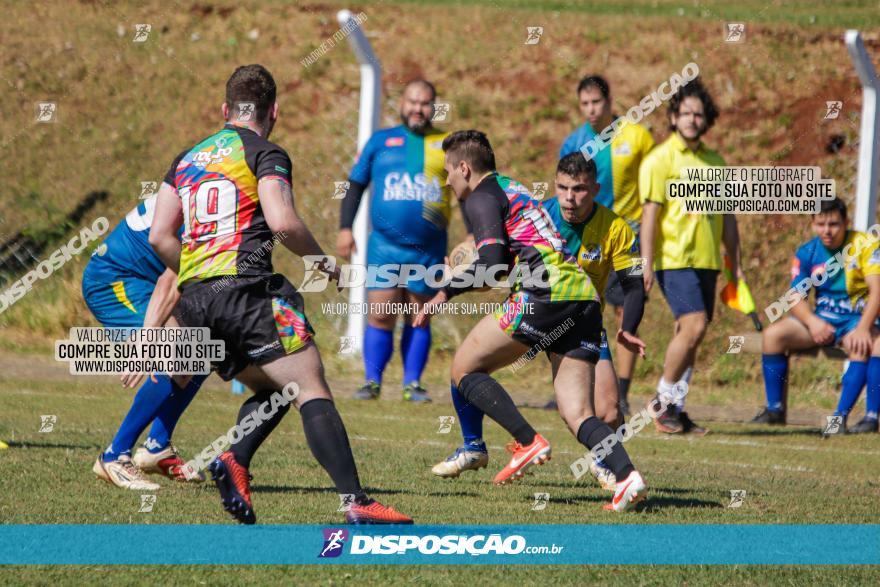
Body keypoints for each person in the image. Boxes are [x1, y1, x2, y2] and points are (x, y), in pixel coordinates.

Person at [150, 64, 412, 524]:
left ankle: (235, 459)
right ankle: (357, 501)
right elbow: (283, 222)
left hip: (195, 300)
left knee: (273, 386)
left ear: (225, 109)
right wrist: (323, 261)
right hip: (246, 294)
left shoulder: (186, 159)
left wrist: (198, 274)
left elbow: (159, 237)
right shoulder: (265, 153)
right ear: (274, 111)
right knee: (311, 386)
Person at [416, 130, 647, 511]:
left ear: (464, 167)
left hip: (543, 295)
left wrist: (445, 291)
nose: (447, 181)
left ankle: (525, 441)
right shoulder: (512, 189)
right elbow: (503, 262)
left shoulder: (482, 198)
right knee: (579, 414)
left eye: (448, 172)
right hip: (584, 300)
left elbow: (490, 266)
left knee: (464, 368)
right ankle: (627, 477)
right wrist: (463, 276)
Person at [337, 79, 463, 402]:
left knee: (419, 315)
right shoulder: (380, 142)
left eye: (424, 103)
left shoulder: (447, 144)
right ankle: (372, 381)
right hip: (384, 247)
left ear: (434, 106)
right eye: (412, 102)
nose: (418, 108)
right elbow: (354, 185)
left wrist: (475, 233)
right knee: (380, 313)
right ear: (402, 104)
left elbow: (466, 191)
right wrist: (345, 228)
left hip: (428, 249)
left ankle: (412, 383)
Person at [83, 195, 207, 490]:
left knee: (205, 351)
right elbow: (172, 279)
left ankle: (156, 448)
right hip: (114, 279)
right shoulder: (209, 205)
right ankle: (114, 456)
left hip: (145, 281)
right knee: (174, 350)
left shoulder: (211, 185)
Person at [639, 77, 741, 435]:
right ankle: (662, 401)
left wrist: (736, 265)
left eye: (699, 114)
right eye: (685, 113)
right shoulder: (659, 159)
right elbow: (649, 216)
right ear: (673, 117)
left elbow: (728, 218)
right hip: (673, 259)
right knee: (695, 324)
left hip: (708, 260)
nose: (692, 119)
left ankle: (676, 410)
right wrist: (646, 263)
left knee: (692, 333)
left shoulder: (717, 162)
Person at [557, 75, 655, 415]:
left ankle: (621, 392)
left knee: (624, 311)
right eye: (584, 104)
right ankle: (572, 381)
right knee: (571, 309)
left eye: (596, 102)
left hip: (626, 235)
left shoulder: (638, 137)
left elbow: (652, 195)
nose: (591, 110)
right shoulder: (574, 142)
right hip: (587, 240)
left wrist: (649, 252)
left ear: (610, 101)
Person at [751, 198, 880, 434]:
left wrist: (863, 328)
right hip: (824, 319)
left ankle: (843, 419)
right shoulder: (807, 252)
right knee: (773, 336)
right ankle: (774, 410)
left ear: (846, 223)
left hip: (856, 320)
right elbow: (794, 297)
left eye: (833, 224)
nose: (827, 231)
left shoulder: (866, 245)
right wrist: (813, 322)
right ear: (812, 223)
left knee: (861, 345)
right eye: (821, 224)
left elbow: (877, 291)